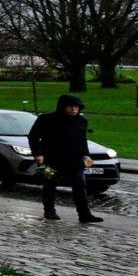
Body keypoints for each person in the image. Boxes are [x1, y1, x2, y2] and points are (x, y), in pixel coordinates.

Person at [28, 94, 103, 224]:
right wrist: (37, 154)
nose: (74, 109)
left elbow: (82, 140)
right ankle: (49, 211)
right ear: (62, 107)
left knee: (80, 185)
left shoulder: (82, 121)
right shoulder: (46, 119)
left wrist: (86, 155)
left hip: (75, 160)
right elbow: (33, 136)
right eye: (70, 106)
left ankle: (84, 214)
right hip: (49, 159)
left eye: (77, 107)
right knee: (49, 184)